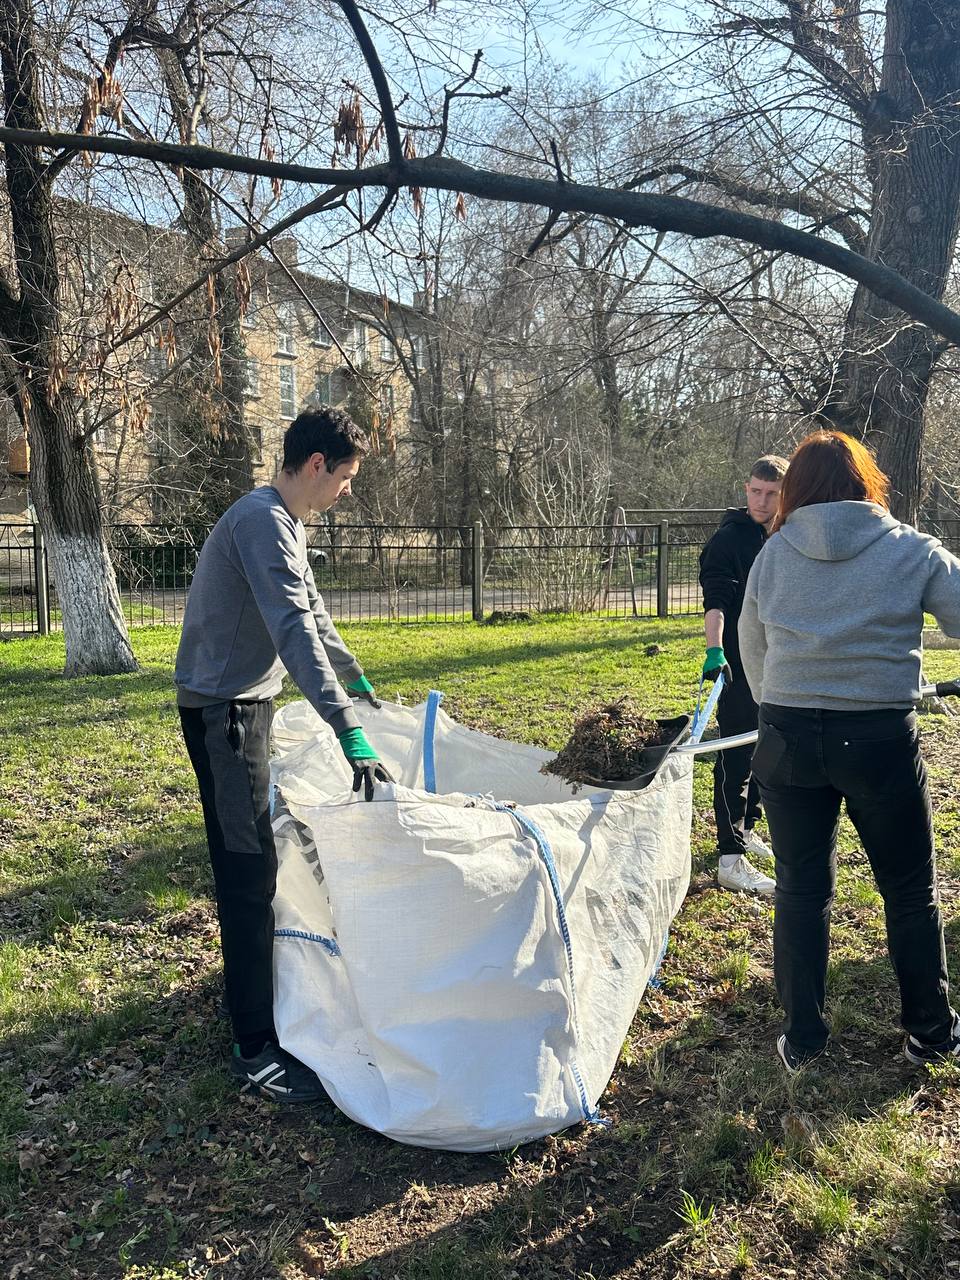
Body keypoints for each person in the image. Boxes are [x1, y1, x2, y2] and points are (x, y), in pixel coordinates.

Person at [175, 408, 393, 1103]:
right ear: (317, 464)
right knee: (247, 872)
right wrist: (345, 729)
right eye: (347, 477)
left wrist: (355, 681)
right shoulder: (262, 521)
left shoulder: (285, 522)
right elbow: (292, 628)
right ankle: (252, 1045)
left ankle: (253, 1003)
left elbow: (314, 613)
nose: (347, 491)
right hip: (223, 715)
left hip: (246, 706)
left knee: (258, 859)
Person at [739, 430, 960, 1071]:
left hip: (787, 736)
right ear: (868, 482)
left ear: (797, 488)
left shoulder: (773, 553)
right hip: (878, 738)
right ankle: (930, 1032)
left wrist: (778, 704)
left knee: (800, 889)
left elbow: (752, 645)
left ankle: (804, 1039)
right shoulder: (912, 549)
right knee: (909, 888)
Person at [698, 455, 788, 895]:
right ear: (746, 488)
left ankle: (746, 830)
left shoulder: (786, 537)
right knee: (735, 756)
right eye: (755, 491)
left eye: (771, 493)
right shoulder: (728, 540)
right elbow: (716, 601)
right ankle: (729, 860)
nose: (761, 501)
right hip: (738, 666)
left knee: (764, 753)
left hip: (779, 666)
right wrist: (715, 650)